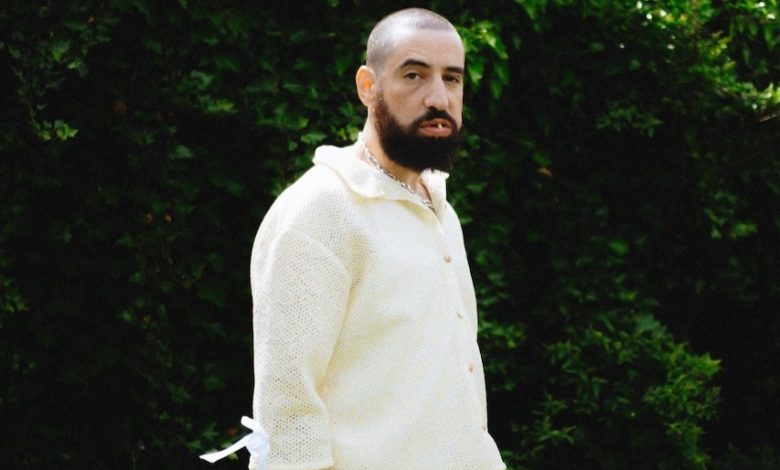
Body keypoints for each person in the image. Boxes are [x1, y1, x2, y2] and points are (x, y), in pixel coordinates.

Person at [247, 8, 505, 470]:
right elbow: (287, 410)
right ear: (368, 86)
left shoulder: (441, 213)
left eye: (452, 78)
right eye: (414, 75)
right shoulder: (322, 209)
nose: (439, 97)